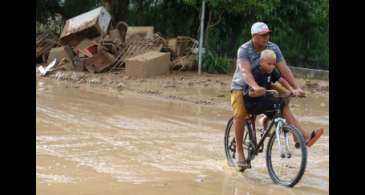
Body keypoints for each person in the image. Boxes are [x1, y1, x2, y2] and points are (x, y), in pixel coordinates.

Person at [230, 22, 324, 170]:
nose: (266, 37)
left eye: (267, 34)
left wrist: (296, 88)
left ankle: (301, 136)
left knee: (282, 103)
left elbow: (283, 71)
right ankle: (240, 153)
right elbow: (244, 71)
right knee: (240, 114)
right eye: (262, 35)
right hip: (242, 87)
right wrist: (254, 86)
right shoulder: (244, 49)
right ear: (254, 36)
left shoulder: (273, 48)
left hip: (264, 85)